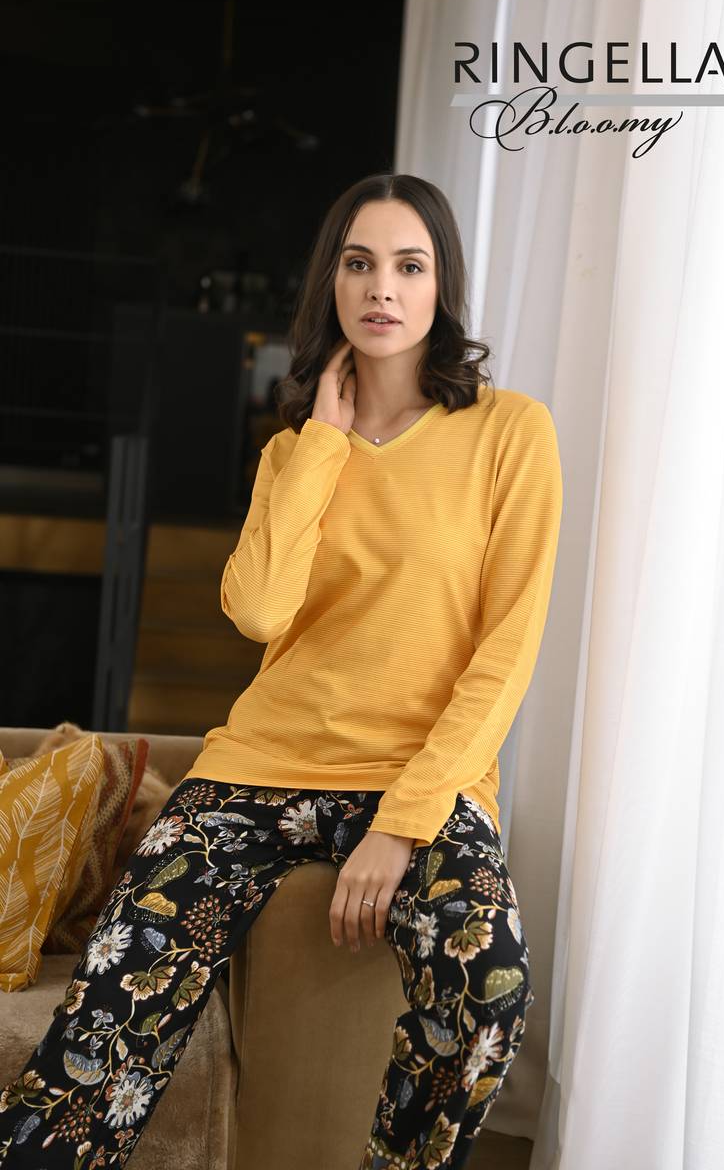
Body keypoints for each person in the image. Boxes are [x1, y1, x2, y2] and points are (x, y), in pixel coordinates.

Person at [0, 172, 563, 1170]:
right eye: (359, 263)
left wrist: (403, 823)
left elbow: (506, 649)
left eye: (409, 265)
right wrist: (323, 447)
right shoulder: (293, 452)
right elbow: (259, 612)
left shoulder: (509, 431)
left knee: (490, 994)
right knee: (111, 1008)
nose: (382, 287)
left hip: (416, 779)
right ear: (329, 285)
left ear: (442, 287)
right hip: (259, 768)